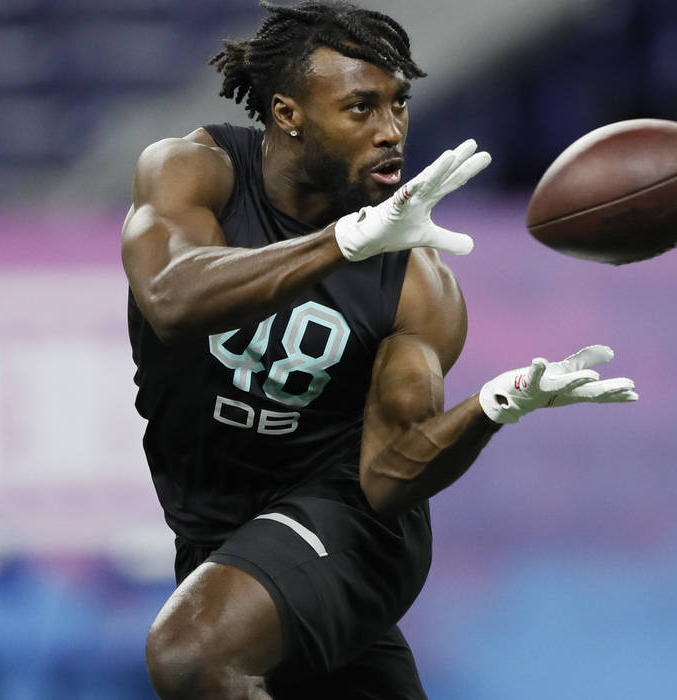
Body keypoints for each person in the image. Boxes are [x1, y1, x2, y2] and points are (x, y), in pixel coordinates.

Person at [121, 2, 638, 698]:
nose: (391, 131)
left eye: (398, 104)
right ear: (287, 113)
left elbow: (391, 474)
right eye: (360, 108)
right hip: (223, 535)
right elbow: (170, 298)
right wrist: (342, 244)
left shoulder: (417, 280)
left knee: (192, 651)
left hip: (351, 523)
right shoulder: (194, 171)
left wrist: (493, 404)